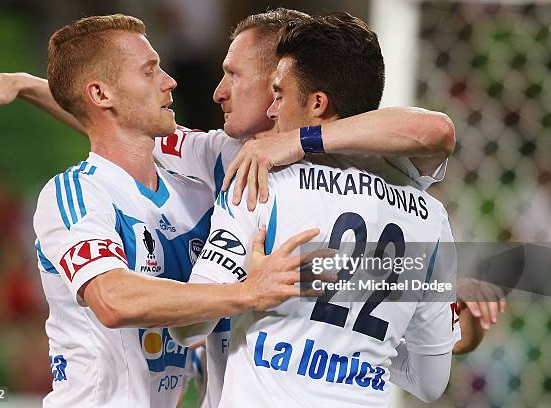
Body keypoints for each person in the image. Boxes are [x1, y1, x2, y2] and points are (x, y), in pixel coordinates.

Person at [26, 14, 321, 407]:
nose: (170, 81)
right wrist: (249, 293)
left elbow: (425, 132)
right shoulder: (76, 194)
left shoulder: (202, 181)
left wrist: (22, 85)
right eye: (150, 72)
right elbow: (113, 300)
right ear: (100, 95)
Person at [171, 13, 462, 407]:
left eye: (279, 93)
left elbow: (186, 327)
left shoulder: (262, 183)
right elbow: (430, 381)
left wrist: (248, 293)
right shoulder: (429, 216)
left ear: (317, 103)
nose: (272, 110)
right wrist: (365, 346)